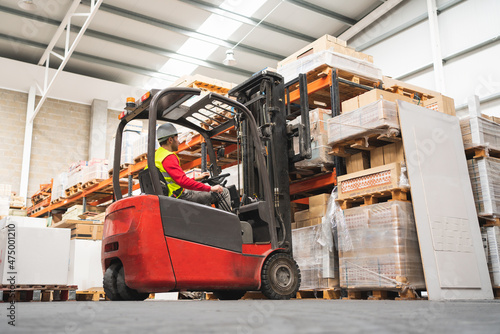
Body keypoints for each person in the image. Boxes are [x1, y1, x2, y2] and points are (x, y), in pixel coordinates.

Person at [154, 123, 231, 211]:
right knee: (224, 192)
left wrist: (197, 178)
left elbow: (175, 181)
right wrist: (211, 188)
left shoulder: (156, 156)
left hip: (168, 197)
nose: (179, 142)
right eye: (177, 138)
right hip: (179, 195)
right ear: (170, 140)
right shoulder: (168, 157)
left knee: (206, 201)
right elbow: (183, 182)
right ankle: (228, 224)